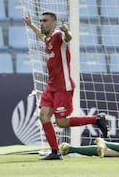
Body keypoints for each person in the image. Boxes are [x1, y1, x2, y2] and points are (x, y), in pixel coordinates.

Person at [23, 12, 109, 160]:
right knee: (44, 116)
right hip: (51, 86)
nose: (42, 23)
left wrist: (66, 31)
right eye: (41, 21)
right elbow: (41, 35)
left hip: (63, 86)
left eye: (45, 21)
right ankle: (55, 152)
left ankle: (96, 119)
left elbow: (68, 38)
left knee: (61, 122)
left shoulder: (58, 36)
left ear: (53, 23)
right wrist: (31, 25)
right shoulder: (48, 39)